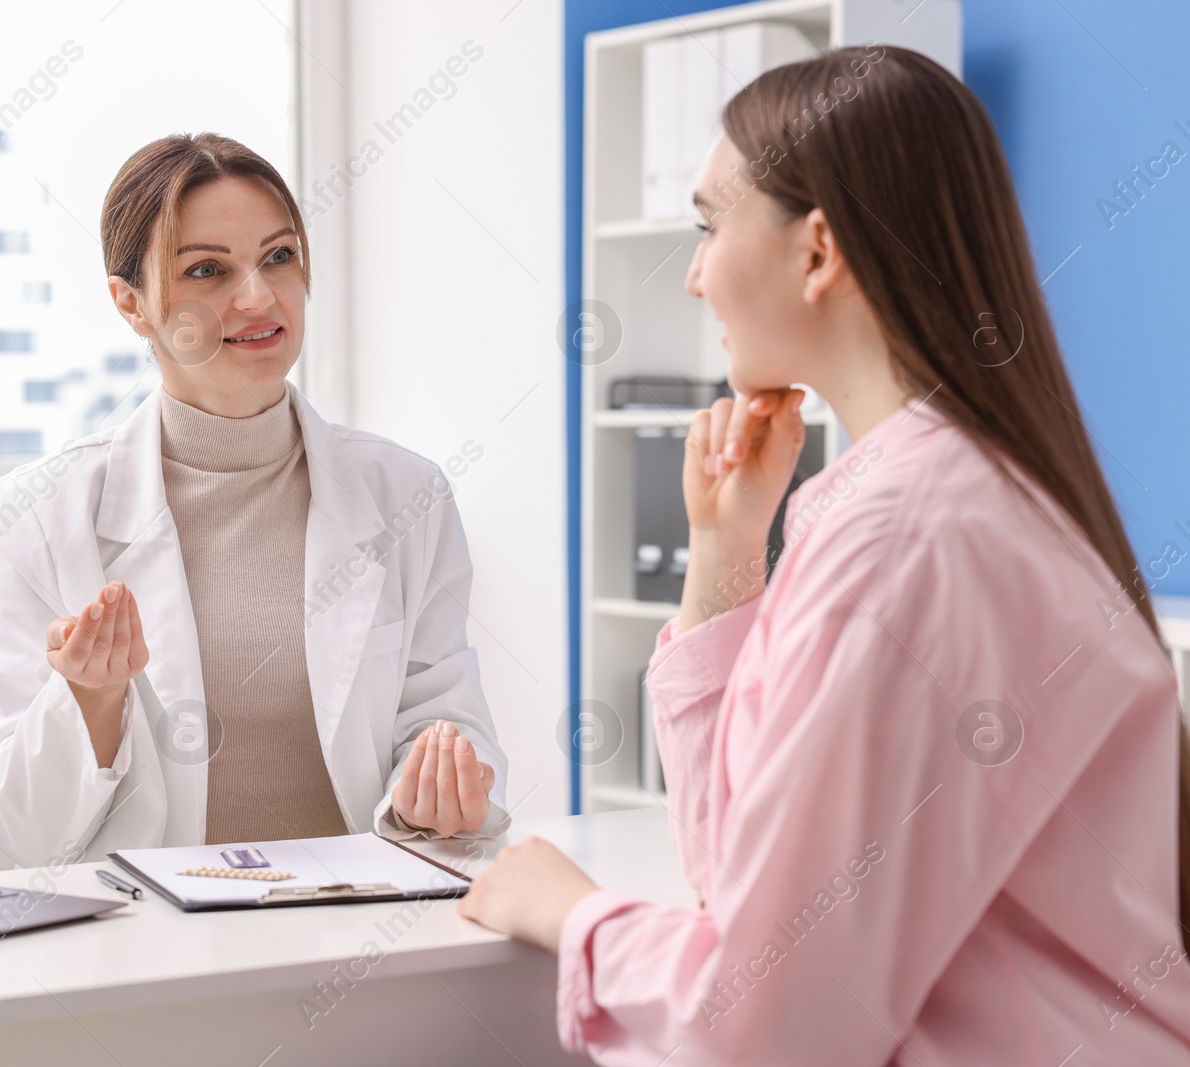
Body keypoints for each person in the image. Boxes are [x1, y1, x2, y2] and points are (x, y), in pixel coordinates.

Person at [460, 45, 1190, 1064]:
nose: (698, 273)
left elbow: (767, 1026)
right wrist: (723, 557)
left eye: (710, 225)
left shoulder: (911, 534)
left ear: (817, 251)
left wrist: (574, 916)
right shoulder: (922, 497)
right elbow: (745, 884)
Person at [0, 133, 510, 867]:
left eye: (279, 257)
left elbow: (441, 714)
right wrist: (88, 701)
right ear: (132, 305)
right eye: (209, 270)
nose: (258, 297)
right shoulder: (36, 514)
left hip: (357, 922)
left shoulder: (407, 495)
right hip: (152, 947)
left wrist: (432, 790)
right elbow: (5, 833)